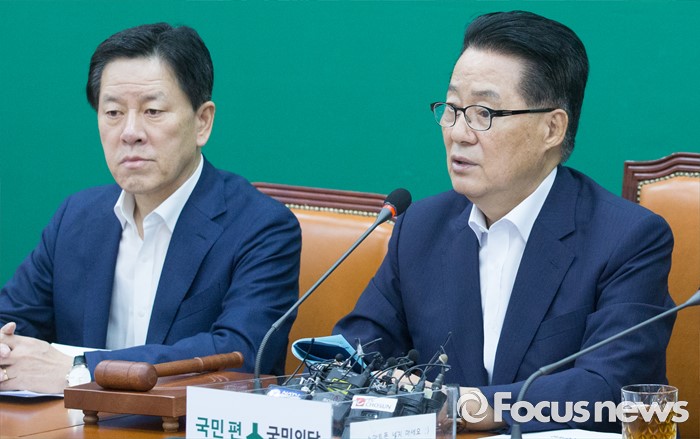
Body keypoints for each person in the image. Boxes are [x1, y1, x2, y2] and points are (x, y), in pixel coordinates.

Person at [333, 10, 674, 434]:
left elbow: (608, 388)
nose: (459, 133)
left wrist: (463, 405)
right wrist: (370, 380)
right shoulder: (421, 227)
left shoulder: (628, 238)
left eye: (484, 113)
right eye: (452, 108)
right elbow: (355, 352)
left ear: (552, 128)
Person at [0, 23, 301, 394]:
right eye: (113, 112)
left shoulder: (262, 227)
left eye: (153, 111)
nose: (130, 132)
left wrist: (80, 371)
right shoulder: (77, 217)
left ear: (202, 122)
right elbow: (11, 319)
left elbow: (242, 354)